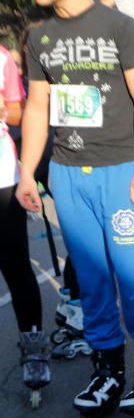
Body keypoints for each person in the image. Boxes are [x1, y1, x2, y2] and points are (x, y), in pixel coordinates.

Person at [16, 0, 134, 418]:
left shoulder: (120, 28)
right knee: (91, 280)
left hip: (121, 169)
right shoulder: (40, 38)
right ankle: (108, 370)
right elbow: (37, 108)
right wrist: (28, 172)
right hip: (68, 174)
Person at [0, 40, 50, 397]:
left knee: (15, 266)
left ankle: (34, 349)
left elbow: (19, 113)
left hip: (2, 179)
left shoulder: (2, 59)